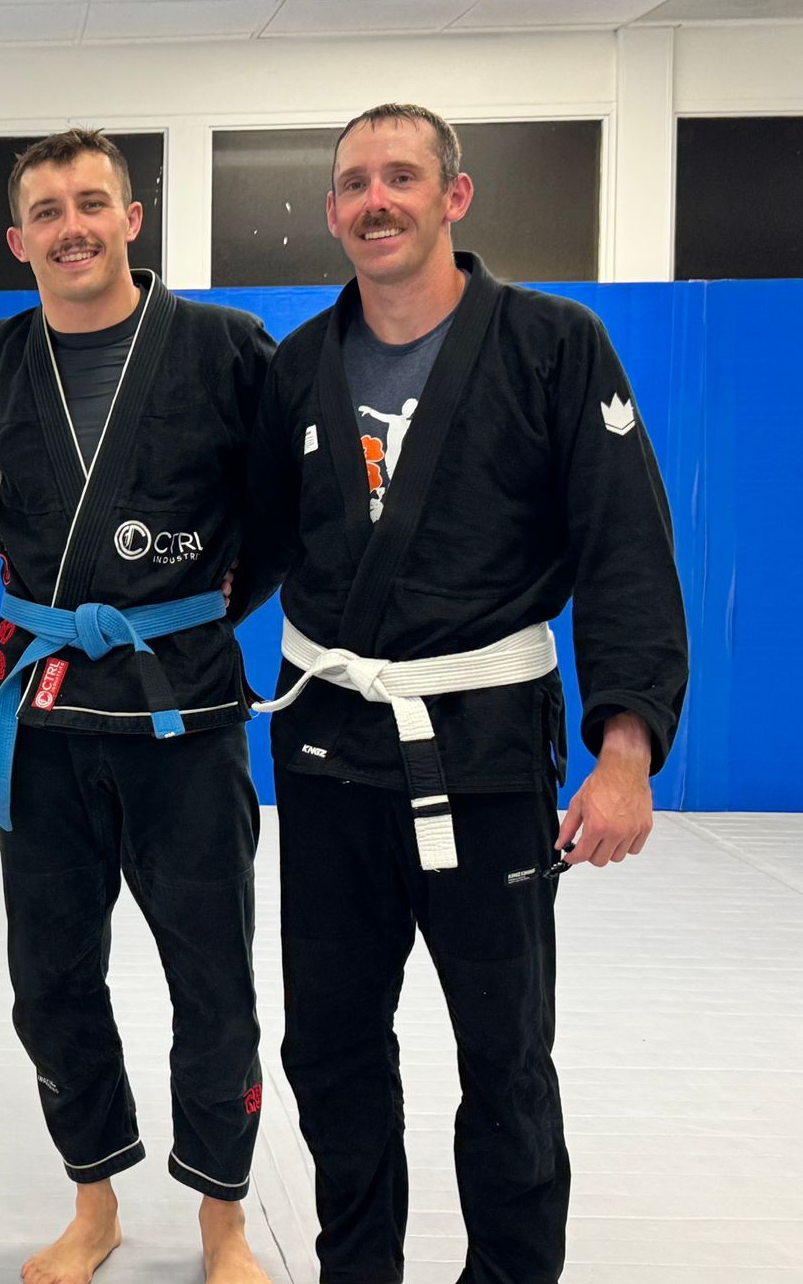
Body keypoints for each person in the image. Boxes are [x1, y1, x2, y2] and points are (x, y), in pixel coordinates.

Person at [243, 102, 690, 1284]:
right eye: (354, 183)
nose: (375, 201)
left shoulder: (554, 344)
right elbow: (250, 550)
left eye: (401, 176)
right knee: (329, 1044)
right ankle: (358, 1270)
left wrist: (627, 753)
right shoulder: (298, 367)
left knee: (505, 1053)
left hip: (486, 746)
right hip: (328, 746)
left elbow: (625, 550)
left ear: (455, 195)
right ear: (332, 210)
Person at [0, 129, 276, 1284]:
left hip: (183, 714)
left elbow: (282, 512)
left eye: (92, 203)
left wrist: (202, 613)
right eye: (47, 211)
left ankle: (223, 1222)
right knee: (50, 979)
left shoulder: (227, 347)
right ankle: (94, 1203)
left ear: (132, 219)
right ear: (18, 239)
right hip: (43, 722)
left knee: (213, 978)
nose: (71, 227)